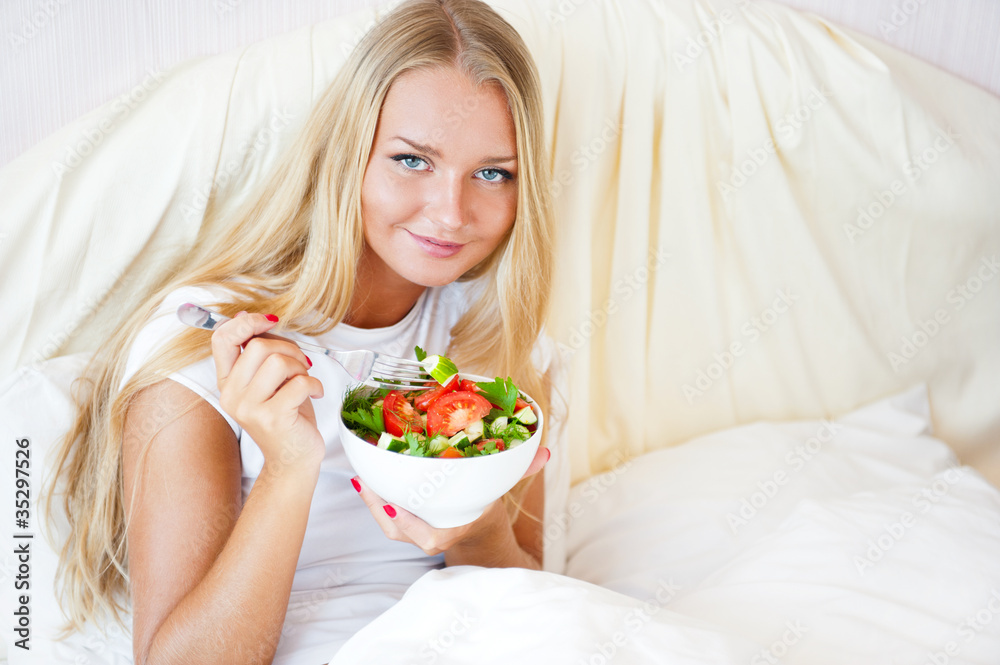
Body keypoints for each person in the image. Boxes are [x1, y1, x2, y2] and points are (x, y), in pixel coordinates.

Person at [42, 0, 555, 662]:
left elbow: (537, 612)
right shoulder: (202, 343)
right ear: (348, 155)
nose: (451, 212)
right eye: (412, 160)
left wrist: (480, 529)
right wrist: (289, 464)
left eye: (493, 173)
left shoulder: (494, 332)